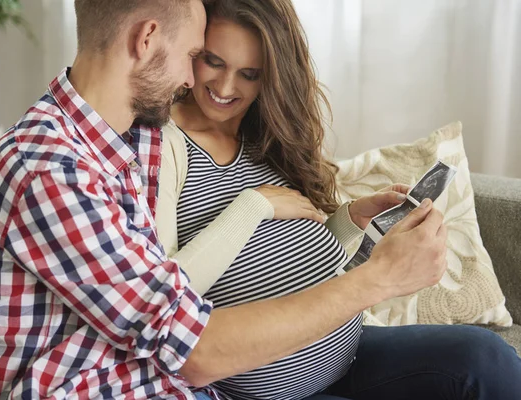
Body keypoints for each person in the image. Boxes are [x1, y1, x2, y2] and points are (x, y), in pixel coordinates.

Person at [154, 0, 521, 399]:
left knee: (484, 357)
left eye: (249, 74)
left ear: (270, 78)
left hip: (348, 353)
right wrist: (253, 205)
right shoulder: (164, 145)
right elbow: (168, 292)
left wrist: (350, 222)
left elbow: (282, 257)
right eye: (213, 62)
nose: (226, 88)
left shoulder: (265, 134)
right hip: (267, 389)